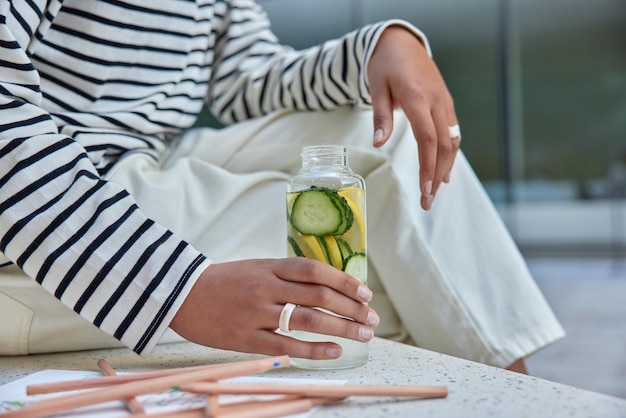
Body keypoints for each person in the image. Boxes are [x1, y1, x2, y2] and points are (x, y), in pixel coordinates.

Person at [0, 1, 564, 372]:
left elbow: (247, 77)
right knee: (376, 272)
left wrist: (378, 49)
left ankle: (510, 385)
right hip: (55, 192)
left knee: (389, 136)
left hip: (153, 154)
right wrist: (177, 288)